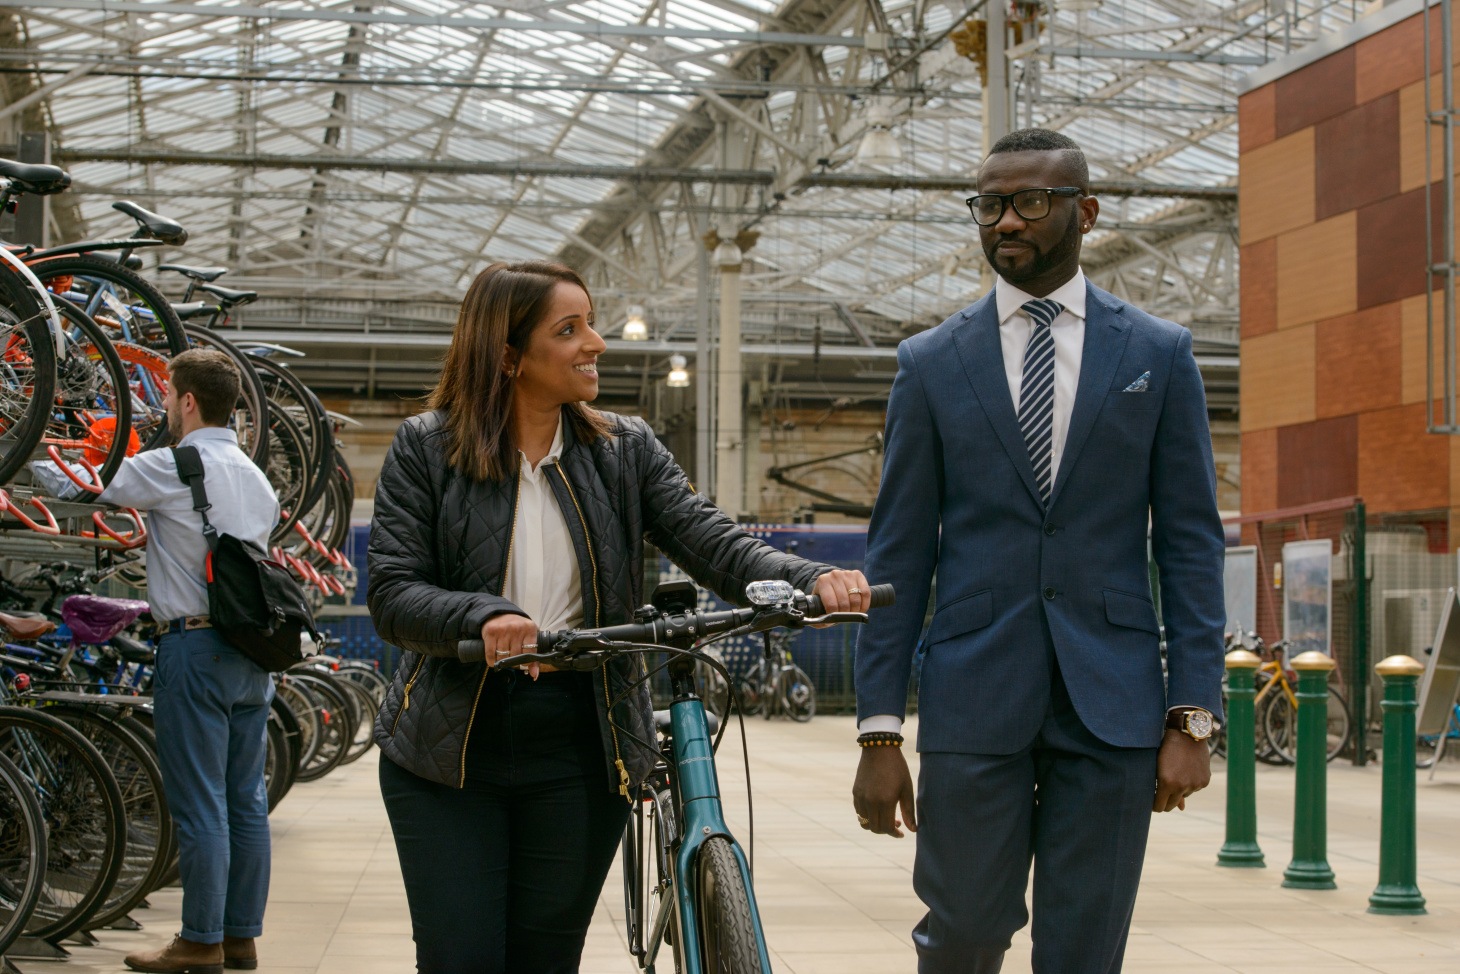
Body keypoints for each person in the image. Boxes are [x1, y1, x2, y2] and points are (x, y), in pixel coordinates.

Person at [367, 259, 868, 974]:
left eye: (591, 324)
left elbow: (711, 542)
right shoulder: (426, 448)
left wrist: (811, 578)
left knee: (546, 959)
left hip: (582, 745)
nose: (595, 343)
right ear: (507, 355)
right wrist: (484, 617)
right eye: (569, 330)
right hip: (448, 753)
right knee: (460, 957)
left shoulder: (623, 451)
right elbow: (391, 591)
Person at [851, 129, 1225, 974]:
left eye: (1030, 202)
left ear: (1084, 213)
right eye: (989, 204)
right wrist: (879, 732)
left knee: (1085, 948)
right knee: (962, 932)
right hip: (974, 696)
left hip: (1115, 703)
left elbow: (1194, 547)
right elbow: (899, 555)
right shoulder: (932, 362)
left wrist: (1193, 716)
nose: (1005, 221)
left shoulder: (1158, 355)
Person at [101, 348, 280, 974]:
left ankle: (199, 941)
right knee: (244, 800)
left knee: (200, 802)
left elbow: (91, 484)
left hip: (194, 646)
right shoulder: (258, 479)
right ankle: (240, 937)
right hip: (253, 655)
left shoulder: (175, 464)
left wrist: (36, 453)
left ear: (186, 401)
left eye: (167, 397)